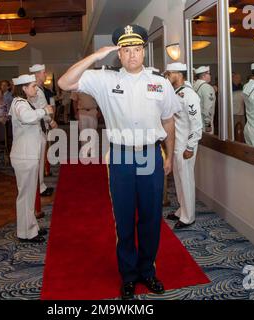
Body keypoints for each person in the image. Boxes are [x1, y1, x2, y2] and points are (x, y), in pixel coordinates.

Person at [58, 24, 180, 300]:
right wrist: (95, 56)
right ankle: (128, 275)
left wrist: (169, 155)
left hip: (151, 154)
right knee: (124, 220)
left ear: (144, 52)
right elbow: (65, 83)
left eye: (137, 50)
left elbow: (169, 122)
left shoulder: (160, 82)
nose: (132, 55)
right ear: (119, 54)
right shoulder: (104, 79)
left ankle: (148, 271)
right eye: (126, 50)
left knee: (150, 218)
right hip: (121, 156)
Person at [9, 74, 53, 243]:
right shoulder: (19, 103)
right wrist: (44, 111)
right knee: (25, 196)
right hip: (24, 156)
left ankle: (30, 228)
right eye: (33, 86)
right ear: (24, 89)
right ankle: (26, 232)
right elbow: (26, 118)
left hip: (27, 155)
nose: (35, 89)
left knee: (27, 195)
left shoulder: (25, 103)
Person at [164, 63, 203, 229]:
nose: (167, 75)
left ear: (178, 74)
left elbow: (197, 124)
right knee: (179, 180)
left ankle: (189, 217)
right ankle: (182, 210)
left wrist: (190, 147)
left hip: (186, 144)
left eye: (169, 73)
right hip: (177, 144)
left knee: (186, 180)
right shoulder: (176, 93)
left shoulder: (189, 95)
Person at [29, 64, 58, 196]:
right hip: (38, 127)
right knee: (39, 159)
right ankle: (39, 188)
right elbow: (41, 110)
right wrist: (51, 121)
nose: (45, 74)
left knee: (41, 158)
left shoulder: (39, 89)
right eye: (43, 72)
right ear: (37, 74)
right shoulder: (35, 90)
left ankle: (41, 185)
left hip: (40, 126)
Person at [71, 91, 99, 156]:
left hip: (93, 112)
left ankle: (92, 151)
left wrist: (99, 112)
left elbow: (99, 100)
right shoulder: (77, 87)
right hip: (82, 112)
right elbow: (74, 101)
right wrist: (75, 113)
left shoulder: (94, 86)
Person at [193, 66, 216, 133]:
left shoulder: (194, 85)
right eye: (209, 74)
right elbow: (208, 107)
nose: (210, 76)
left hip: (195, 121)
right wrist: (208, 124)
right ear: (204, 76)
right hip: (204, 122)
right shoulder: (207, 87)